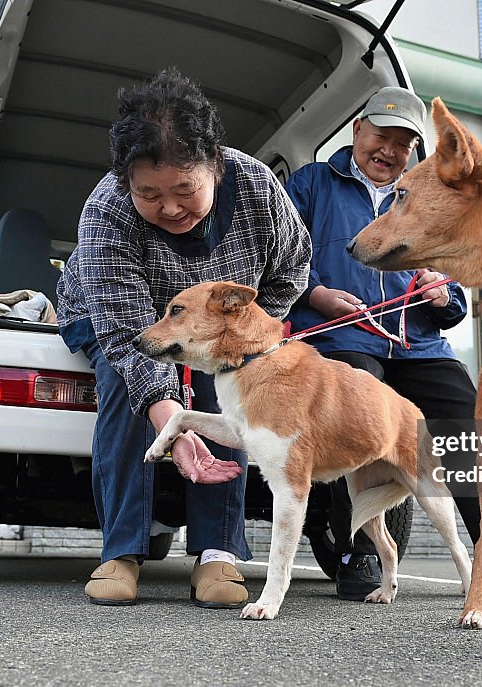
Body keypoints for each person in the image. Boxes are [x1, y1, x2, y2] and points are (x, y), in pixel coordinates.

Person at [56, 68, 311, 607]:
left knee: (242, 388)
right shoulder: (106, 211)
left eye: (185, 190)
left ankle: (217, 555)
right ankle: (120, 551)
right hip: (120, 318)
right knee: (120, 379)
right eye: (149, 194)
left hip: (216, 327)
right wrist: (170, 418)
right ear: (127, 183)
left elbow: (291, 271)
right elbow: (125, 334)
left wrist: (240, 340)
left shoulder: (260, 189)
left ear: (214, 166)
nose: (169, 208)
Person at [285, 86, 482, 602]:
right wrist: (317, 293)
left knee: (467, 410)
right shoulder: (312, 184)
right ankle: (359, 551)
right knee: (357, 400)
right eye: (381, 136)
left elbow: (458, 299)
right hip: (341, 336)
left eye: (403, 142)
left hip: (419, 344)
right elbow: (281, 259)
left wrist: (442, 296)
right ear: (357, 131)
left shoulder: (425, 193)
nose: (389, 151)